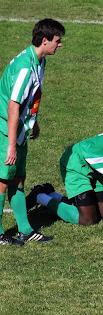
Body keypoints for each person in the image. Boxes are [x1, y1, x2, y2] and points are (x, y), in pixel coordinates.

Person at [0, 18, 64, 246]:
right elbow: (13, 106)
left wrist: (33, 122)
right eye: (57, 41)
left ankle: (25, 230)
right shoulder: (25, 67)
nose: (60, 45)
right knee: (2, 180)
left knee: (18, 179)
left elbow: (31, 96)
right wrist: (10, 144)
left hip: (19, 128)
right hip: (6, 129)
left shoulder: (39, 60)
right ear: (45, 40)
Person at [28, 131, 103, 226]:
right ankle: (39, 197)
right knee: (88, 219)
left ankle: (53, 195)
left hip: (93, 168)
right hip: (76, 162)